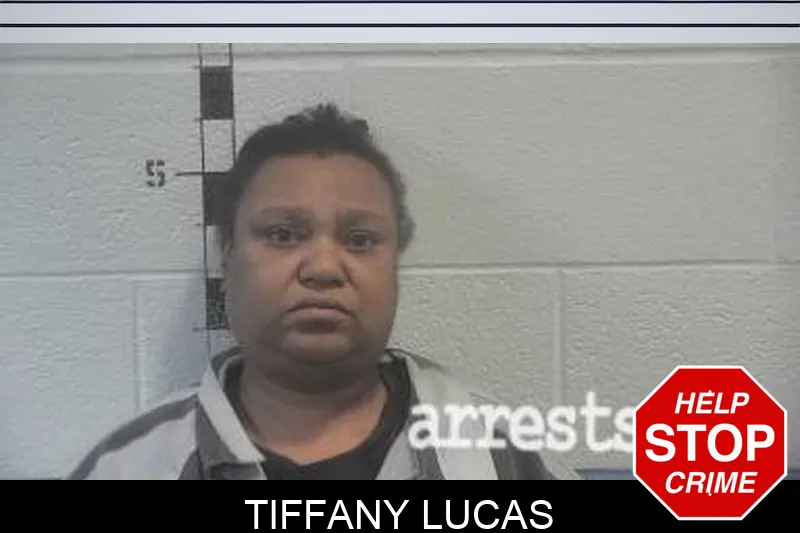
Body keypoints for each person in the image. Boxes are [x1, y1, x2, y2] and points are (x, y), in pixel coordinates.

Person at [68, 103, 580, 480]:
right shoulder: (129, 467)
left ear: (394, 263)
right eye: (282, 234)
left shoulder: (503, 457)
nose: (323, 268)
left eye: (360, 240)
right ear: (226, 257)